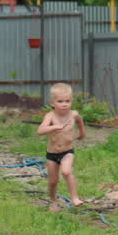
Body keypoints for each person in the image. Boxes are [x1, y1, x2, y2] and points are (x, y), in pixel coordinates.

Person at [37, 82, 85, 210]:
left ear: (71, 102)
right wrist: (54, 126)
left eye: (67, 101)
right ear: (53, 103)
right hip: (52, 154)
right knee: (53, 182)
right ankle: (53, 201)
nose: (64, 104)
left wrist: (82, 132)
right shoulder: (50, 116)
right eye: (60, 101)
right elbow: (40, 131)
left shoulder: (73, 114)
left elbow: (80, 121)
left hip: (67, 152)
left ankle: (75, 198)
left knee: (66, 171)